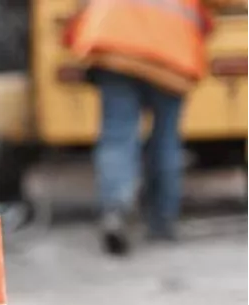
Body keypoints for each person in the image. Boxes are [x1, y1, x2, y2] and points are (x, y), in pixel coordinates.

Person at [64, 0, 227, 255]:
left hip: (115, 45)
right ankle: (161, 222)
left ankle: (116, 209)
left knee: (118, 136)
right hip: (172, 53)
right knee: (166, 139)